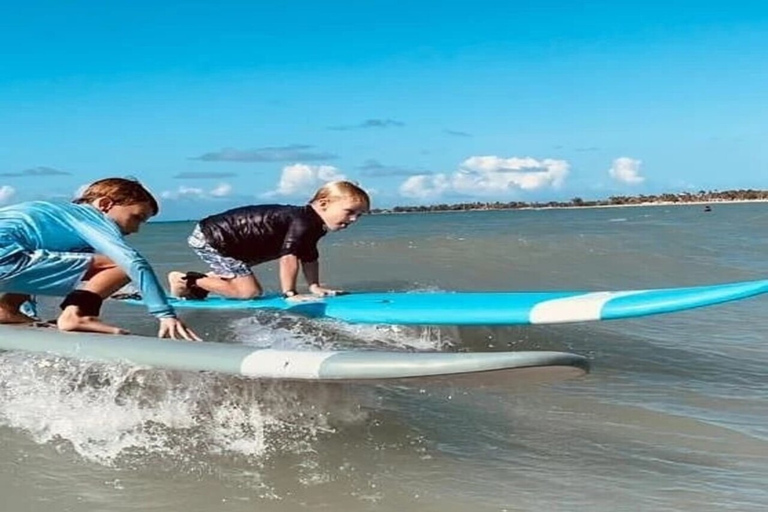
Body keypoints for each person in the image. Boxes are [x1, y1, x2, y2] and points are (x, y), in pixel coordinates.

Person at [0, 177, 200, 340]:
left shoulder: (54, 216)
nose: (136, 229)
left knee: (66, 259)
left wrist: (28, 313)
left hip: (9, 256)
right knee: (119, 266)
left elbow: (36, 272)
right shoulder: (89, 217)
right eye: (136, 217)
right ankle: (77, 316)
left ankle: (7, 309)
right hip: (6, 258)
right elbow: (133, 262)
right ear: (105, 204)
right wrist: (165, 314)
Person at [168, 180, 370, 301]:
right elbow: (288, 258)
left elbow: (309, 257)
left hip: (233, 242)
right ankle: (186, 280)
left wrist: (314, 287)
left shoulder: (313, 225)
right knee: (250, 292)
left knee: (253, 269)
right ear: (324, 204)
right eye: (349, 212)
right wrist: (290, 293)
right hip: (213, 237)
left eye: (358, 215)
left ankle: (198, 285)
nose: (353, 219)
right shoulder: (303, 222)